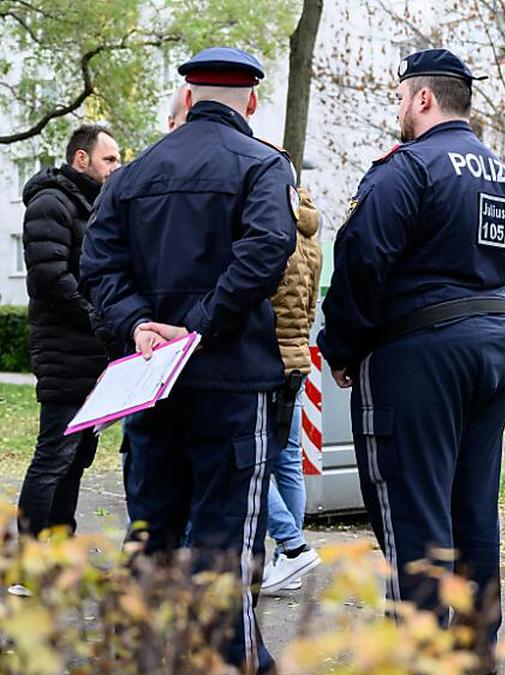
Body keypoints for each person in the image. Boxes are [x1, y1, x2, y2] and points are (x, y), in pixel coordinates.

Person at [80, 47, 296, 673]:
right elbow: (266, 251)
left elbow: (99, 270)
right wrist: (196, 329)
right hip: (232, 386)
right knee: (226, 543)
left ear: (189, 96)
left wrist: (138, 326)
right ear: (251, 100)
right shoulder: (263, 167)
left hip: (151, 387)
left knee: (151, 534)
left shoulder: (131, 175)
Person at [317, 48, 505, 655]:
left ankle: (424, 650)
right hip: (493, 342)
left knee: (412, 505)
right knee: (472, 504)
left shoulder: (406, 169)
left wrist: (343, 344)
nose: (401, 110)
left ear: (423, 98)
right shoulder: (504, 177)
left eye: (402, 98)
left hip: (420, 353)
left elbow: (360, 260)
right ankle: (474, 644)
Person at [14, 125, 120, 551]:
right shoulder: (50, 203)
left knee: (77, 459)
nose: (116, 167)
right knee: (54, 457)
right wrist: (100, 319)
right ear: (82, 159)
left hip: (91, 355)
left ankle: (58, 550)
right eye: (109, 159)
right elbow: (51, 277)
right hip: (64, 353)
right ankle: (26, 558)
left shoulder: (90, 206)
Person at [260, 186, 322, 595]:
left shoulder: (274, 238)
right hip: (298, 360)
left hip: (267, 360)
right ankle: (290, 565)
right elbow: (312, 304)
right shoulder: (312, 243)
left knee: (249, 463)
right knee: (287, 463)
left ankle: (292, 543)